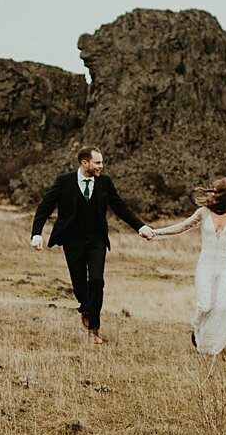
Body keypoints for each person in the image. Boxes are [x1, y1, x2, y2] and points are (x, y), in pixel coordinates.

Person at [140, 177, 226, 357]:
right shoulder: (203, 212)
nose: (213, 195)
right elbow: (181, 227)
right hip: (206, 264)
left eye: (218, 192)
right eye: (213, 191)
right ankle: (196, 329)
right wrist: (155, 232)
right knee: (204, 306)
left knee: (221, 307)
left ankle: (210, 345)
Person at [31, 147, 150, 345]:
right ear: (84, 163)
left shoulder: (105, 182)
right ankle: (85, 308)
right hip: (72, 241)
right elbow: (44, 208)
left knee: (96, 281)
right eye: (97, 162)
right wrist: (36, 234)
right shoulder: (64, 182)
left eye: (101, 162)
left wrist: (141, 227)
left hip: (97, 240)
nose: (101, 166)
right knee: (79, 286)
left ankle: (94, 329)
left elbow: (120, 207)